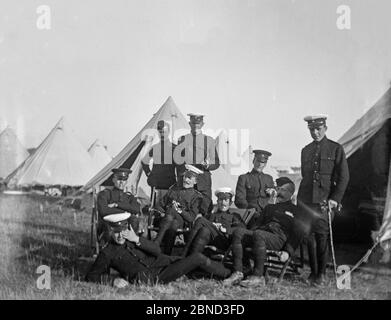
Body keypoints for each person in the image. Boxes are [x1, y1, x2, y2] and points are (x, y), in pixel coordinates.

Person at [85, 212, 231, 287]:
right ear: (110, 231)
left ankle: (232, 271)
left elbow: (156, 251)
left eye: (122, 231)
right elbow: (92, 275)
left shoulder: (133, 239)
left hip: (165, 263)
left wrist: (136, 239)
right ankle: (230, 276)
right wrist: (112, 281)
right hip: (151, 278)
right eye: (116, 232)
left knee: (198, 265)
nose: (120, 235)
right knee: (197, 258)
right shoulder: (107, 252)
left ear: (127, 228)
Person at [223, 177, 304, 287]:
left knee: (258, 234)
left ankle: (258, 276)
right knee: (239, 232)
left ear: (289, 192)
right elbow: (256, 226)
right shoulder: (270, 207)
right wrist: (247, 236)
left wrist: (287, 251)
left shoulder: (296, 211)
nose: (277, 191)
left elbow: (297, 233)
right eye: (277, 188)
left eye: (281, 189)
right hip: (261, 235)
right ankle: (238, 272)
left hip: (279, 239)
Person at [297, 115, 349, 285]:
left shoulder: (336, 149)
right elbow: (306, 177)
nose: (315, 132)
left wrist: (335, 199)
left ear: (325, 128)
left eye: (318, 129)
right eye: (312, 129)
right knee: (309, 237)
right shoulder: (306, 150)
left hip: (325, 203)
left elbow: (344, 177)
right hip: (307, 202)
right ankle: (313, 272)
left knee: (321, 237)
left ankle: (321, 275)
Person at [152, 164, 205, 255]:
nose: (186, 180)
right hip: (166, 220)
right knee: (173, 224)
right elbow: (159, 205)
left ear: (195, 181)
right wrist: (162, 213)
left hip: (182, 222)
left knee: (173, 210)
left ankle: (157, 242)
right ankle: (166, 254)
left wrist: (179, 210)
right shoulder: (174, 190)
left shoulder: (197, 197)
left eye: (189, 178)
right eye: (185, 176)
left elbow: (191, 218)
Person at [174, 113, 220, 213]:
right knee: (184, 206)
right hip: (187, 180)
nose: (196, 127)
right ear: (189, 124)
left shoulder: (209, 140)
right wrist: (182, 175)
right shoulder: (182, 139)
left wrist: (208, 165)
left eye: (198, 125)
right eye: (193, 124)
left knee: (204, 207)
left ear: (202, 124)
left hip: (203, 180)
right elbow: (177, 161)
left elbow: (216, 162)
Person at [182, 187, 245, 257]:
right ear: (217, 201)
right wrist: (212, 224)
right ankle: (192, 258)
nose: (223, 203)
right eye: (221, 200)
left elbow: (241, 229)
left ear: (230, 203)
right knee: (204, 230)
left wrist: (226, 229)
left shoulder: (234, 216)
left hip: (223, 240)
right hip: (209, 239)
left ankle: (184, 254)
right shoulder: (210, 215)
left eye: (226, 200)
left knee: (200, 220)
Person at [97, 168, 141, 247]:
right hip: (110, 226)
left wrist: (117, 205)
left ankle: (132, 246)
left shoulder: (129, 197)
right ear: (113, 180)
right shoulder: (105, 194)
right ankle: (105, 248)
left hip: (125, 226)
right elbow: (103, 211)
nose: (121, 182)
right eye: (119, 179)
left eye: (124, 180)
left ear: (126, 181)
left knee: (134, 219)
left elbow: (136, 209)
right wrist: (126, 210)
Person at [234, 150, 275, 222]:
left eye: (263, 162)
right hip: (250, 215)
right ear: (253, 161)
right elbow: (239, 200)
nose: (260, 164)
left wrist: (273, 194)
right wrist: (250, 210)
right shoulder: (244, 178)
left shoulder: (269, 179)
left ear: (265, 164)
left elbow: (274, 199)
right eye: (258, 161)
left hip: (267, 214)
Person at [142, 120, 178, 201]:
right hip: (156, 184)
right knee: (155, 208)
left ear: (168, 132)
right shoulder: (155, 147)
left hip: (170, 184)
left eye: (164, 132)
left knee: (168, 207)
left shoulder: (175, 148)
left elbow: (180, 166)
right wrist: (149, 174)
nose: (162, 134)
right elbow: (144, 162)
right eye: (160, 132)